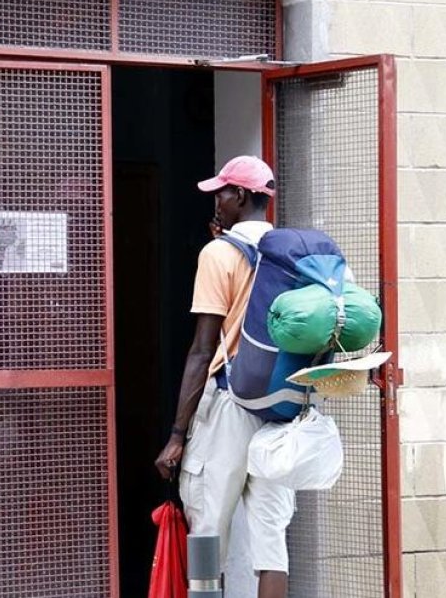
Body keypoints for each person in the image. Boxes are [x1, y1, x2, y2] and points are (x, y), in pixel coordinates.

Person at [154, 155, 295, 598]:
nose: (216, 199)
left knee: (208, 532)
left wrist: (178, 433)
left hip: (230, 405)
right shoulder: (291, 253)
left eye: (222, 191)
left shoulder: (217, 254)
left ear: (240, 196)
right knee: (272, 542)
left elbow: (202, 348)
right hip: (281, 407)